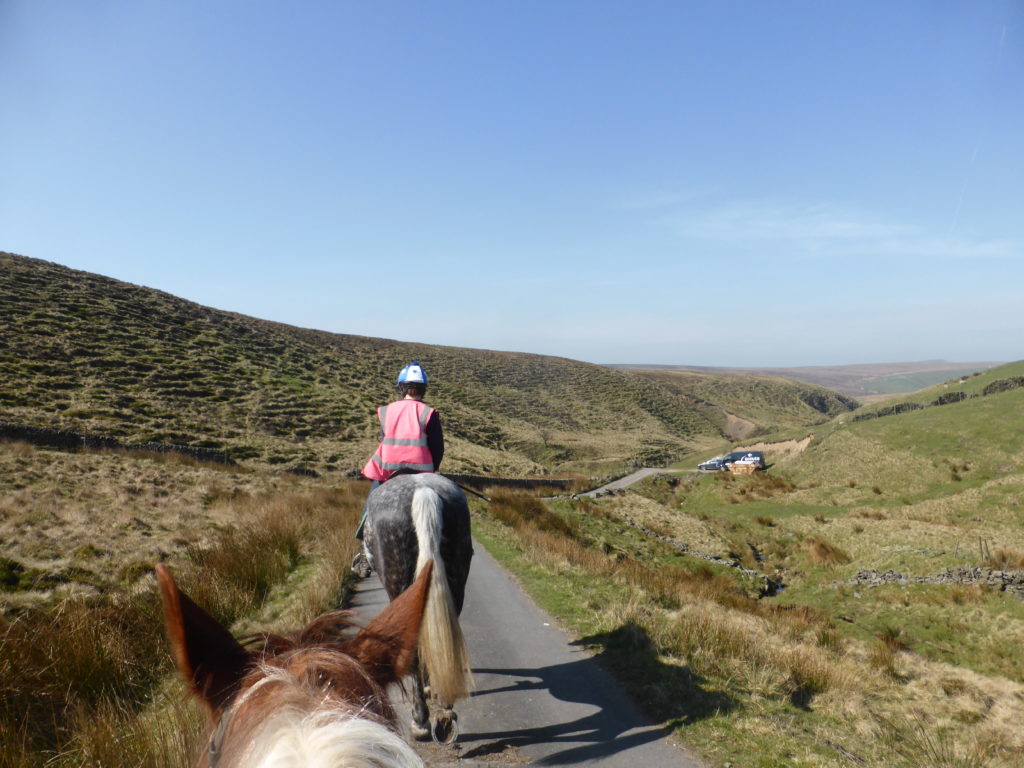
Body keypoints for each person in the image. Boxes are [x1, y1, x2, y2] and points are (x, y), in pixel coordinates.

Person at [352, 361, 444, 573]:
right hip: (423, 472)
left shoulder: (386, 411)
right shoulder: (429, 412)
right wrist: (434, 468)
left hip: (389, 472)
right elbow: (437, 447)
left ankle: (364, 555)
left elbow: (385, 438)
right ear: (423, 389)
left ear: (401, 388)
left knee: (370, 508)